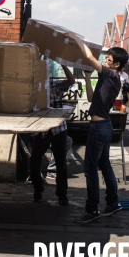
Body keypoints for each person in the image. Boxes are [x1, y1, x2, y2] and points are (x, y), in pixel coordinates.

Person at [66, 34, 129, 224]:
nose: (105, 61)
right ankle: (113, 202)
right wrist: (87, 78)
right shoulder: (110, 78)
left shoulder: (110, 74)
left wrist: (76, 39)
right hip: (105, 126)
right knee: (104, 166)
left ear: (116, 64)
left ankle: (92, 210)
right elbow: (92, 98)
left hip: (99, 127)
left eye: (108, 59)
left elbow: (89, 57)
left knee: (90, 170)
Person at [30, 63, 74, 206]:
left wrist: (64, 65)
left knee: (61, 163)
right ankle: (38, 189)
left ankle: (62, 195)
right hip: (41, 129)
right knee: (34, 161)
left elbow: (71, 81)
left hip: (58, 128)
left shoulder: (55, 84)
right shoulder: (33, 87)